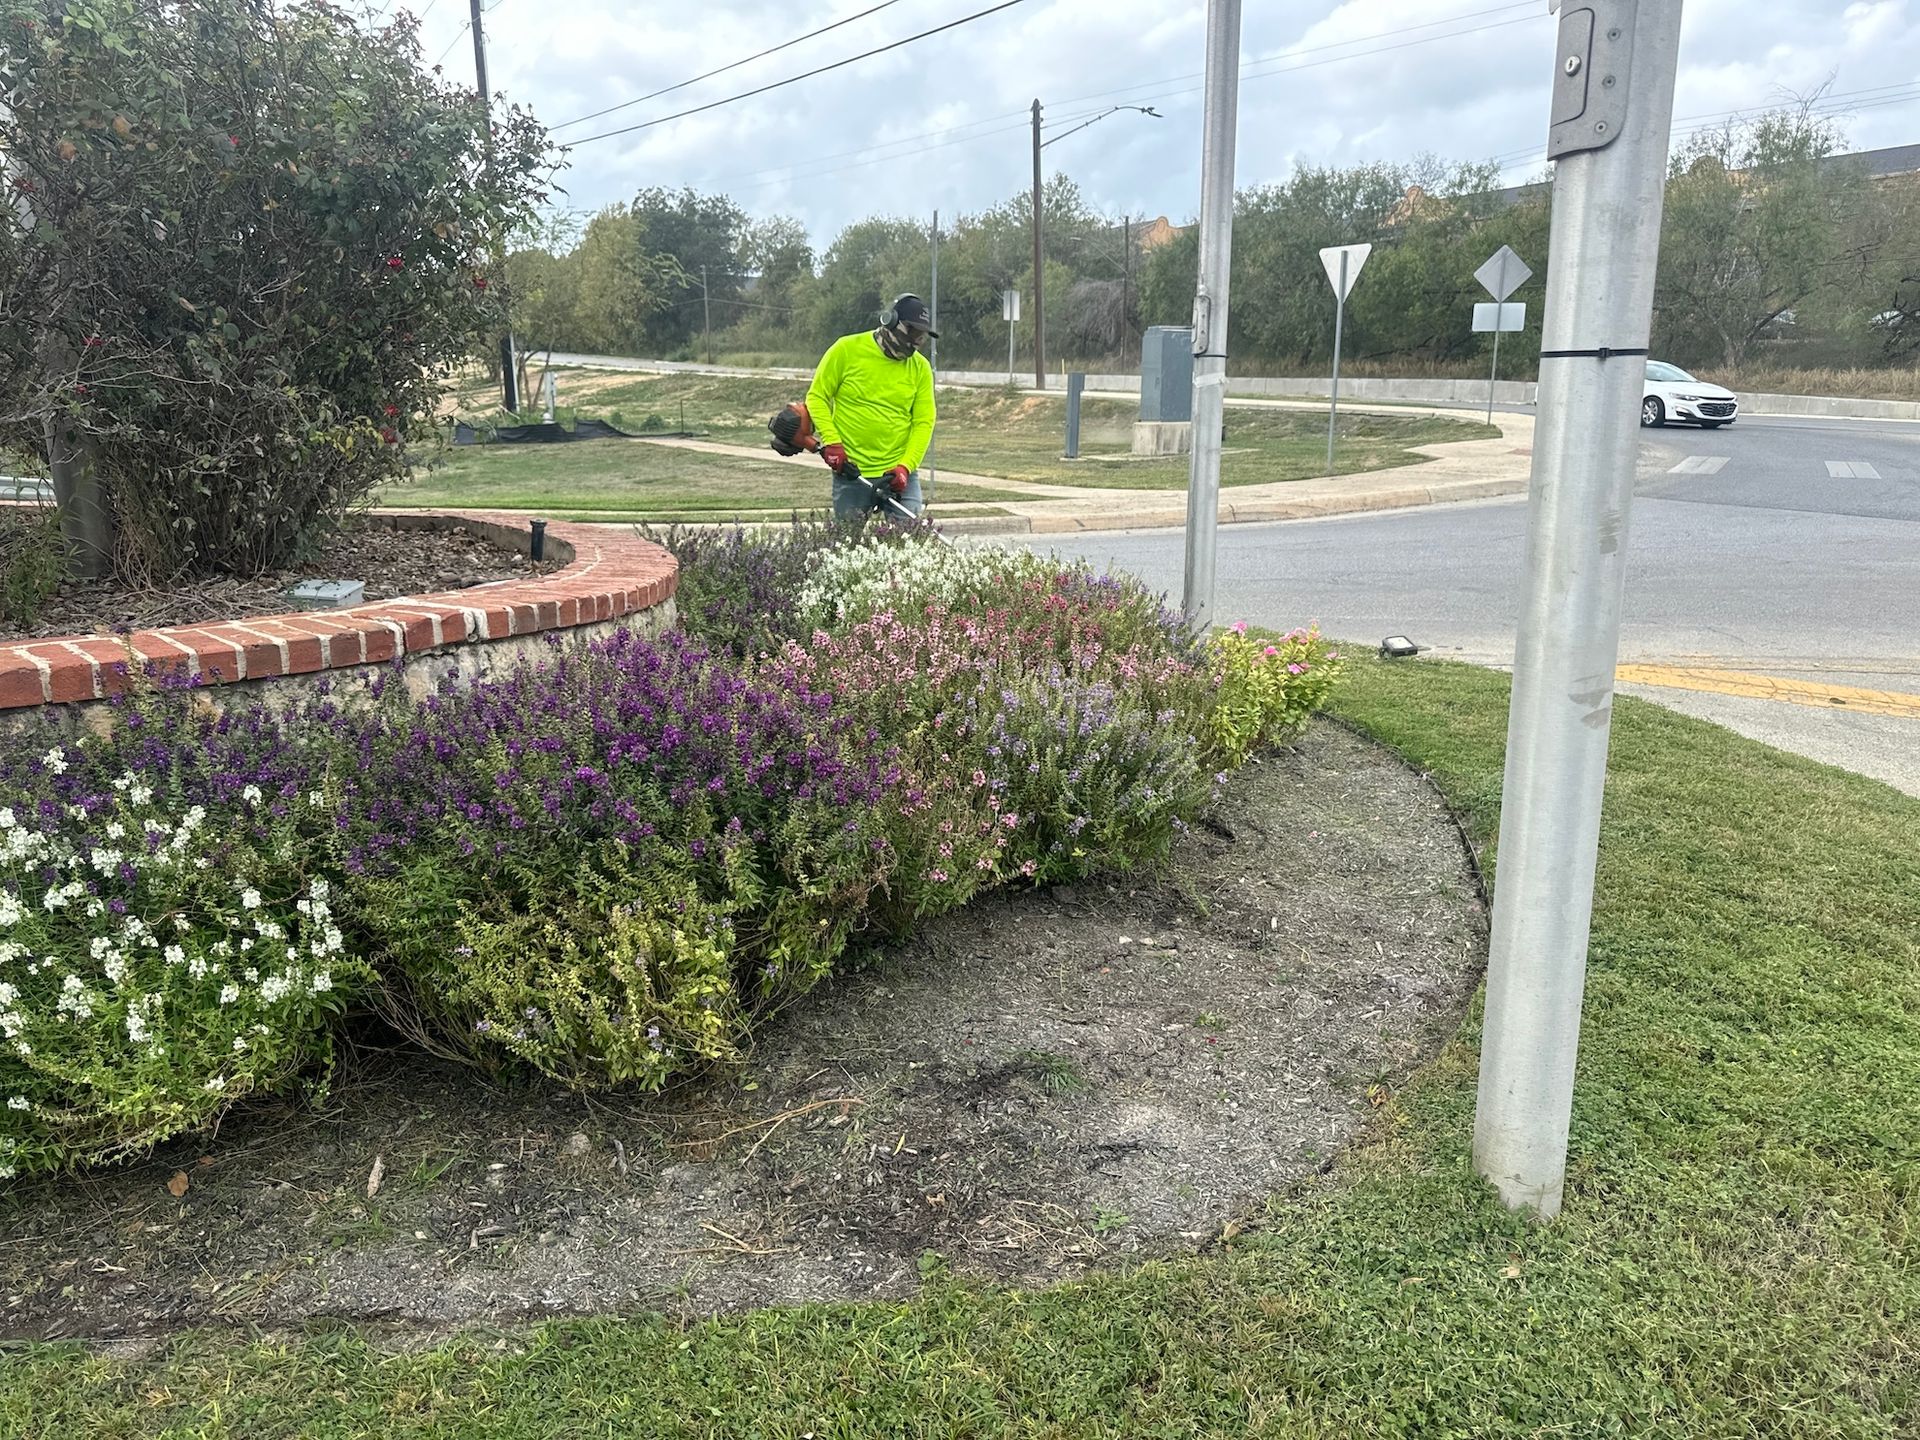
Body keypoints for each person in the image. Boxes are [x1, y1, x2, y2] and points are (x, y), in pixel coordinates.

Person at [805, 294, 937, 522]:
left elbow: (923, 422)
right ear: (890, 321)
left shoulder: (920, 368)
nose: (917, 342)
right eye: (913, 333)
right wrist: (832, 442)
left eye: (922, 337)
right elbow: (817, 397)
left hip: (899, 474)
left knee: (910, 542)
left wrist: (905, 467)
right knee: (846, 544)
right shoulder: (845, 350)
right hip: (852, 472)